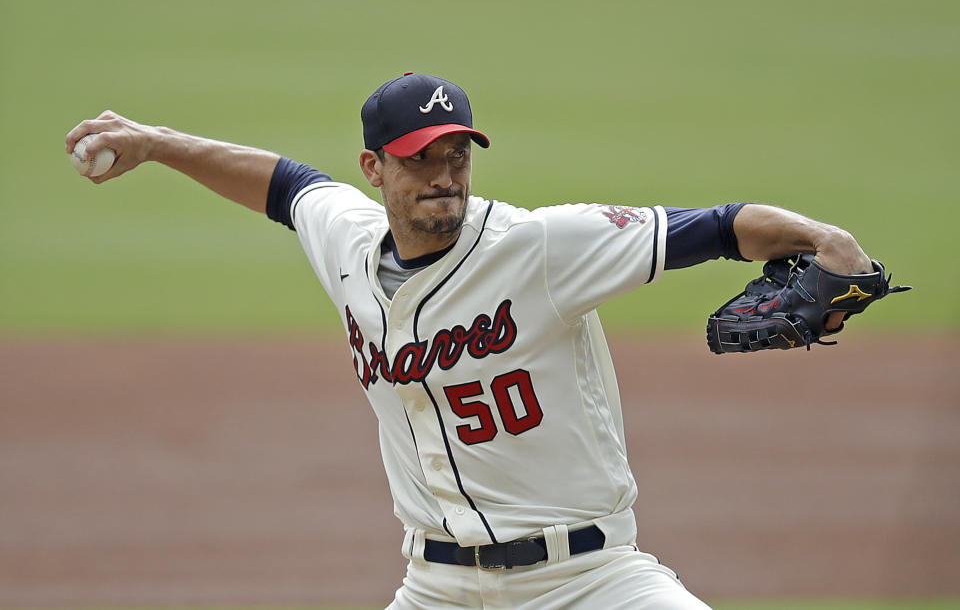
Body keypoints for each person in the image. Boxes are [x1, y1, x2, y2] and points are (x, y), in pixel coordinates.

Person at [66, 72, 871, 609]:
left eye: (456, 154)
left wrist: (829, 241)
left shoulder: (541, 246)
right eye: (419, 161)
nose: (444, 175)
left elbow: (720, 226)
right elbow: (285, 186)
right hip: (437, 587)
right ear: (374, 169)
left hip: (589, 579)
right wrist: (154, 142)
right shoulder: (347, 240)